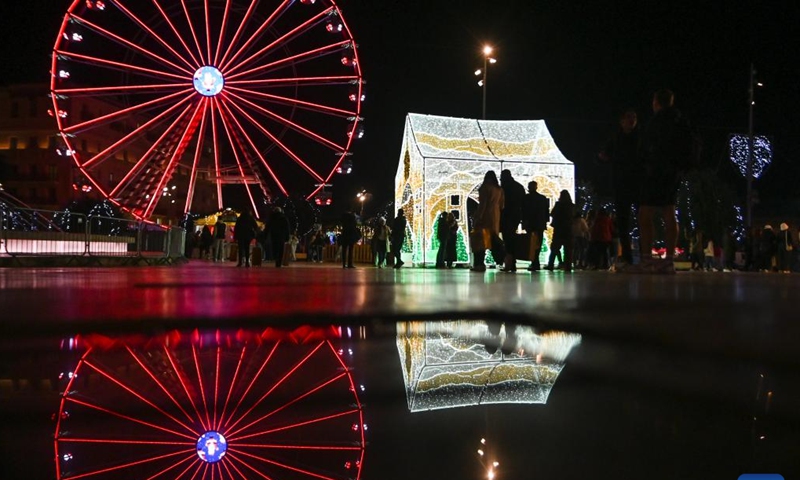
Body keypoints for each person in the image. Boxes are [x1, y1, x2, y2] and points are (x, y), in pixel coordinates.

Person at [633, 89, 685, 274]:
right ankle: (669, 260)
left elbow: (645, 148)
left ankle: (646, 259)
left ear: (656, 102)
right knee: (669, 212)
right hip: (674, 172)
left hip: (655, 172)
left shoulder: (655, 122)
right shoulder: (679, 120)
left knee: (645, 214)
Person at [599, 109, 641, 266]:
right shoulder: (616, 138)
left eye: (634, 118)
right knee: (623, 220)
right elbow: (604, 155)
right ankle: (628, 256)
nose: (632, 121)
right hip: (622, 183)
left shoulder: (639, 138)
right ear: (622, 121)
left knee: (641, 217)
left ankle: (643, 255)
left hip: (636, 182)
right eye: (629, 118)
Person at [471, 171, 505, 272]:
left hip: (485, 216)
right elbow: (502, 205)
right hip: (495, 216)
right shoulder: (499, 189)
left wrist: (478, 217)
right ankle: (503, 258)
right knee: (494, 239)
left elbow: (483, 204)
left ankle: (479, 264)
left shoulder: (485, 187)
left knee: (480, 241)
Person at [499, 170, 526, 272]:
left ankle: (509, 263)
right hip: (516, 215)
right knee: (512, 238)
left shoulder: (503, 188)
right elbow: (523, 203)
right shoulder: (519, 187)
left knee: (507, 239)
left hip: (506, 215)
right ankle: (512, 262)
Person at [522, 181, 550, 271]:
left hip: (530, 224)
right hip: (540, 224)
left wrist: (524, 222)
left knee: (531, 243)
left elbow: (524, 211)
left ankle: (534, 262)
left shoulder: (526, 198)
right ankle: (535, 262)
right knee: (538, 243)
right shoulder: (542, 198)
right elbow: (546, 212)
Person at [544, 190, 574, 272]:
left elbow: (553, 213)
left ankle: (551, 265)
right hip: (568, 230)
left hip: (559, 229)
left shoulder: (559, 204)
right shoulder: (572, 206)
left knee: (554, 248)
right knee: (568, 249)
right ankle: (568, 266)